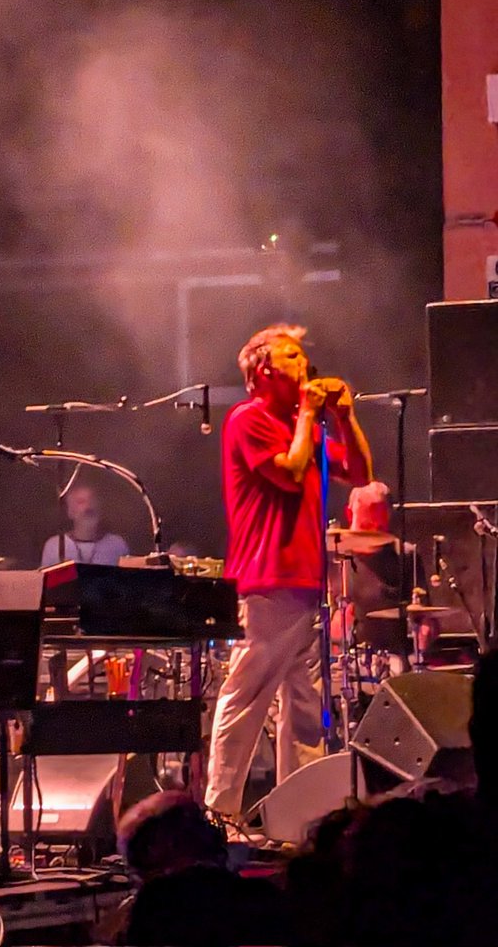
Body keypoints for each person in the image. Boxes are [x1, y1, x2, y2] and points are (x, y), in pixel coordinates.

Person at [204, 323, 372, 822]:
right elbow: (290, 470)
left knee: (304, 708)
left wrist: (345, 417)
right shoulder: (246, 418)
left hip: (303, 581)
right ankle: (221, 815)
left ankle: (302, 819)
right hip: (268, 578)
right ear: (264, 370)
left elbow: (361, 474)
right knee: (248, 696)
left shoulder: (306, 425)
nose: (305, 367)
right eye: (293, 357)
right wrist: (311, 415)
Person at [40, 483, 129, 567]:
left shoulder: (117, 545)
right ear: (70, 511)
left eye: (92, 500)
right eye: (81, 502)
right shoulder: (55, 546)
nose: (88, 506)